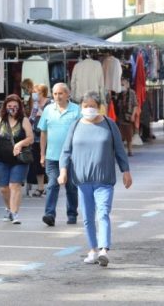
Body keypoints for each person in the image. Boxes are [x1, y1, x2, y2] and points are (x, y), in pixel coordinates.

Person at [59, 91, 132, 267]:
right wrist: (63, 171)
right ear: (81, 108)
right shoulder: (75, 125)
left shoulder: (109, 124)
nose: (89, 109)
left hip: (104, 180)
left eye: (92, 106)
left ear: (99, 107)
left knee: (103, 213)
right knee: (87, 217)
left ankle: (103, 250)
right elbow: (66, 151)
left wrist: (126, 171)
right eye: (86, 106)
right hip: (82, 180)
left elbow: (120, 150)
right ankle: (92, 249)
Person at [38, 83, 81, 226]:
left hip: (72, 157)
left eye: (61, 93)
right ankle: (49, 214)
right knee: (52, 185)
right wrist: (42, 154)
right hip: (52, 156)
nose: (57, 96)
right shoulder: (48, 110)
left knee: (71, 186)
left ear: (68, 94)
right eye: (55, 94)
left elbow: (82, 132)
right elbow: (43, 133)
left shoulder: (76, 110)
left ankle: (72, 214)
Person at [0, 94, 34, 224]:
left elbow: (30, 138)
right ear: (5, 107)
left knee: (15, 185)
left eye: (15, 106)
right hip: (2, 158)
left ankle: (15, 213)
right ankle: (9, 209)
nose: (12, 108)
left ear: (19, 107)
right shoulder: (0, 120)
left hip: (19, 159)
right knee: (4, 188)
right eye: (9, 106)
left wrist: (20, 144)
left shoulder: (24, 120)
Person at [28, 84, 51, 197]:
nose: (33, 94)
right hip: (35, 135)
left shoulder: (50, 103)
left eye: (35, 91)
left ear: (42, 92)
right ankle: (40, 187)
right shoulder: (34, 104)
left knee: (48, 161)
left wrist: (42, 114)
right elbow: (31, 119)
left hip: (48, 136)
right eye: (33, 92)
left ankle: (50, 186)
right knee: (37, 162)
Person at [114, 78, 138, 156]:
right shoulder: (119, 93)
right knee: (120, 135)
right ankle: (121, 152)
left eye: (123, 84)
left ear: (128, 84)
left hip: (128, 116)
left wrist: (133, 115)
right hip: (120, 117)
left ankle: (130, 151)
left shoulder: (132, 93)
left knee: (129, 135)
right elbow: (116, 105)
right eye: (121, 85)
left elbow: (135, 105)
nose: (122, 86)